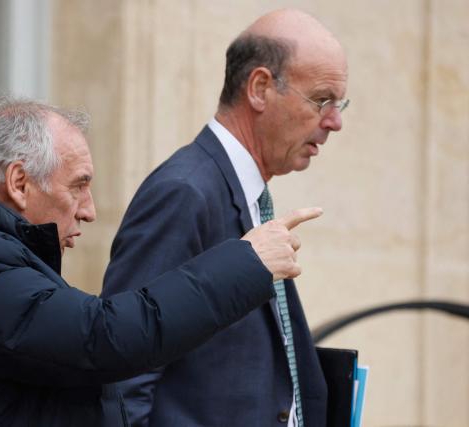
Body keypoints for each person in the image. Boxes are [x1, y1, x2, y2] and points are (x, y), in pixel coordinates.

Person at [0, 97, 321, 426]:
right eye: (78, 185)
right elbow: (100, 339)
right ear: (18, 183)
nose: (90, 210)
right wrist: (247, 262)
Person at [101, 8, 349, 427]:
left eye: (340, 104)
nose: (335, 122)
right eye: (322, 100)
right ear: (260, 88)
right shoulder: (185, 191)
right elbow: (123, 365)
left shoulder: (244, 190)